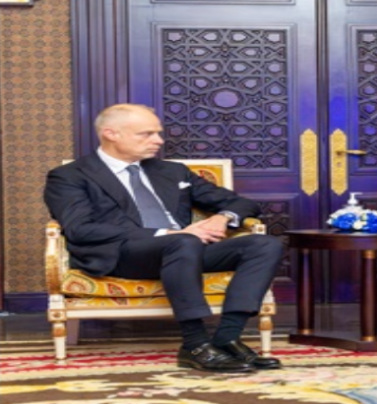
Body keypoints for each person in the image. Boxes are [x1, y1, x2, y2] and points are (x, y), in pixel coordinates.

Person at [44, 104, 285, 373]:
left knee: (264, 244)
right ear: (111, 134)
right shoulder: (70, 176)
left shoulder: (172, 171)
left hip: (185, 251)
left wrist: (222, 218)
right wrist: (170, 234)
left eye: (158, 133)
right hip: (124, 255)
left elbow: (241, 203)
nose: (158, 140)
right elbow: (80, 229)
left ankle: (227, 338)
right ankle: (195, 345)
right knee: (183, 242)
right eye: (146, 134)